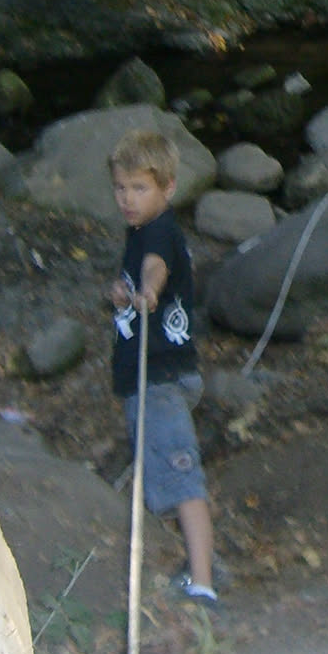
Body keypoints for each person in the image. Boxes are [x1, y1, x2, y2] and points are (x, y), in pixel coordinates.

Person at [108, 126, 218, 603]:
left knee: (180, 473)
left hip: (160, 380)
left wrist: (149, 290)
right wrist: (122, 292)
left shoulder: (158, 232)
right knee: (164, 470)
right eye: (120, 187)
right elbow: (140, 274)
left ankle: (204, 583)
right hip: (153, 379)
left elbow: (156, 267)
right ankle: (199, 564)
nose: (127, 198)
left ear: (168, 188)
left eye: (139, 188)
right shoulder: (140, 233)